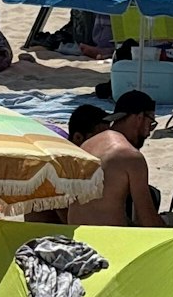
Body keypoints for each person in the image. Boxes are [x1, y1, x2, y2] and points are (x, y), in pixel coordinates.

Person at [68, 90, 162, 227]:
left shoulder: (87, 145)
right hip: (108, 237)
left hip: (76, 235)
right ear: (139, 118)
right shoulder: (130, 156)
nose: (148, 133)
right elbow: (147, 220)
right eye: (151, 123)